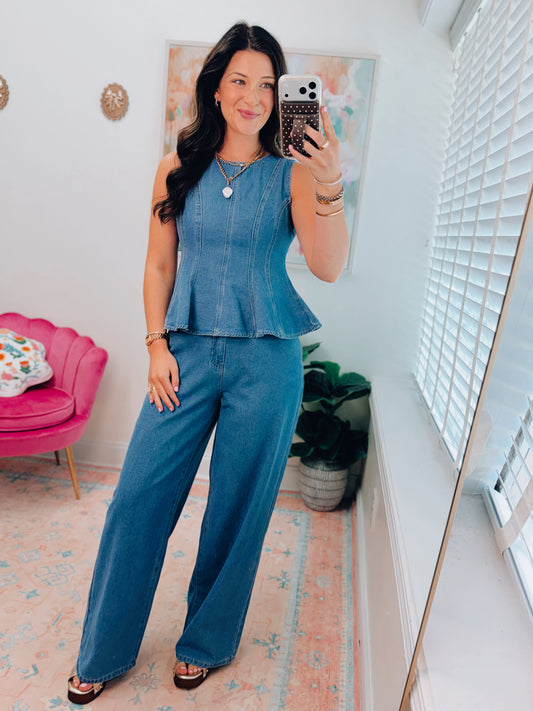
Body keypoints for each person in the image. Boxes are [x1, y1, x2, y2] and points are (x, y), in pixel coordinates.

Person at [67, 21, 349, 705]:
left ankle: (205, 643)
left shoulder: (292, 175)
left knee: (235, 510)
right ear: (216, 89)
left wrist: (329, 180)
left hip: (267, 364)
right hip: (184, 356)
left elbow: (327, 266)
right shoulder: (176, 168)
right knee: (137, 499)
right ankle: (103, 649)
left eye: (266, 85)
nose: (253, 97)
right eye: (239, 81)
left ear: (280, 97)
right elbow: (159, 264)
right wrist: (155, 346)